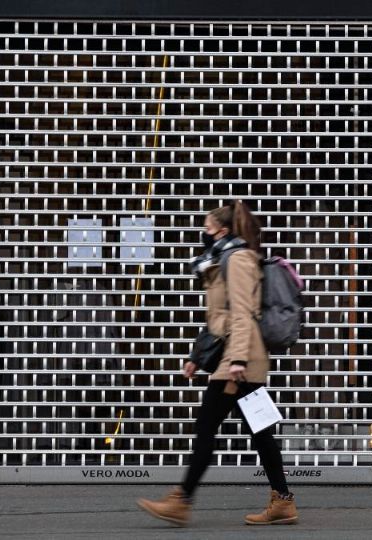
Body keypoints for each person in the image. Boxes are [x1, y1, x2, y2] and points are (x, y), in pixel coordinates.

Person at [137, 200, 298, 527]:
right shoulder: (221, 259)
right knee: (261, 432)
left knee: (207, 428)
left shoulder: (237, 260)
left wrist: (237, 359)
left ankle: (181, 500)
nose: (203, 233)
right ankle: (282, 500)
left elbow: (241, 314)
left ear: (222, 230)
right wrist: (198, 358)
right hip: (235, 357)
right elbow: (217, 318)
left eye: (207, 228)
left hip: (238, 361)